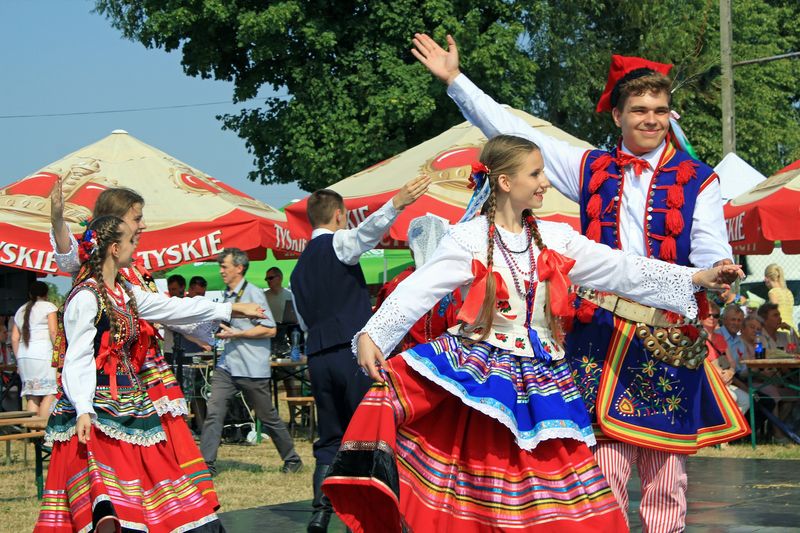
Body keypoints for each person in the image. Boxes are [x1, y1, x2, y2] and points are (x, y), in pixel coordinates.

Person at [412, 34, 750, 532]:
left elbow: (706, 247)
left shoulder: (700, 179)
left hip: (667, 336)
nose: (651, 119)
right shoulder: (588, 166)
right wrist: (456, 81)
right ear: (618, 115)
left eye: (660, 109)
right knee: (600, 468)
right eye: (639, 109)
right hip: (599, 332)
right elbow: (511, 130)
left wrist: (719, 269)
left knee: (664, 473)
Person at [322, 135, 742, 532]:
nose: (545, 182)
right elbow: (419, 289)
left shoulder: (554, 238)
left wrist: (696, 277)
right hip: (484, 378)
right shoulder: (468, 239)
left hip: (543, 379)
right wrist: (372, 335)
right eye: (536, 174)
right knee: (487, 485)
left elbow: (621, 269)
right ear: (505, 182)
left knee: (564, 488)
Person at [34, 215, 265, 532]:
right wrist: (84, 409)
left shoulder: (125, 292)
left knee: (158, 487)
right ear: (115, 248)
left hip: (133, 407)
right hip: (96, 414)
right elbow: (78, 358)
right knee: (108, 504)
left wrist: (230, 309)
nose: (135, 244)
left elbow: (170, 308)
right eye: (130, 239)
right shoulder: (87, 296)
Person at [49, 183, 221, 509]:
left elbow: (160, 309)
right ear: (116, 221)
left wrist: (205, 328)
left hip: (145, 369)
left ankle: (162, 513)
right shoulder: (95, 265)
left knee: (160, 452)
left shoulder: (133, 268)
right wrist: (58, 221)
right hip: (113, 377)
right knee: (133, 458)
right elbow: (68, 256)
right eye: (137, 218)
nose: (143, 225)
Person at [290, 175, 430, 532]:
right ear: (339, 214)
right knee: (373, 430)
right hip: (354, 353)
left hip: (318, 358)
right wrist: (397, 202)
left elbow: (305, 321)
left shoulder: (297, 269)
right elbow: (365, 234)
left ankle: (320, 514)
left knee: (331, 435)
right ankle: (384, 512)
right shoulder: (338, 244)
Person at [199, 247, 303, 476]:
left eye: (224, 266)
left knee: (268, 416)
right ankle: (207, 465)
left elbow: (270, 329)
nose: (221, 271)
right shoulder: (227, 295)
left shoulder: (254, 294)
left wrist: (236, 334)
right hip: (228, 365)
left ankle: (292, 459)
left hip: (252, 368)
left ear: (239, 268)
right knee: (214, 412)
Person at [374, 214, 462, 353]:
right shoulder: (452, 284)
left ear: (411, 248)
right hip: (443, 360)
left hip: (403, 361)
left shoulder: (398, 282)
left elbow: (381, 329)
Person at [10, 281, 58, 417]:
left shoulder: (21, 309)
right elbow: (53, 332)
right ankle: (42, 432)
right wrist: (60, 355)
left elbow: (14, 338)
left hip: (24, 357)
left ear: (30, 294)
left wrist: (19, 360)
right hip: (43, 355)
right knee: (51, 392)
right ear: (46, 294)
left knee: (32, 395)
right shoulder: (49, 307)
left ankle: (33, 432)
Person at [702, 301, 749, 415]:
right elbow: (701, 363)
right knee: (732, 398)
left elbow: (731, 361)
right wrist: (721, 373)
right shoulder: (696, 336)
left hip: (723, 380)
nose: (712, 318)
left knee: (746, 400)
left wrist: (730, 372)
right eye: (708, 315)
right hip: (706, 382)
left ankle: (731, 430)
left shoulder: (719, 337)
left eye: (715, 315)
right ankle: (721, 429)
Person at [764, 264, 795, 332]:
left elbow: (774, 313)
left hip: (781, 329)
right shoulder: (788, 292)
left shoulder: (772, 292)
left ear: (766, 278)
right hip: (792, 329)